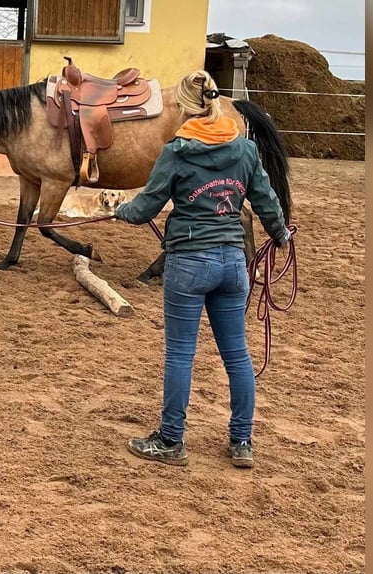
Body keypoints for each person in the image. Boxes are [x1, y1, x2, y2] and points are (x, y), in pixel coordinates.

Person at [114, 70, 291, 468]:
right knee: (237, 355)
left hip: (190, 262)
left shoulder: (176, 152)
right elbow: (265, 200)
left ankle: (171, 440)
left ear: (184, 109)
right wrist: (280, 235)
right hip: (233, 264)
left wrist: (120, 211)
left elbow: (145, 208)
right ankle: (242, 441)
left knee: (180, 354)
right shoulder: (245, 149)